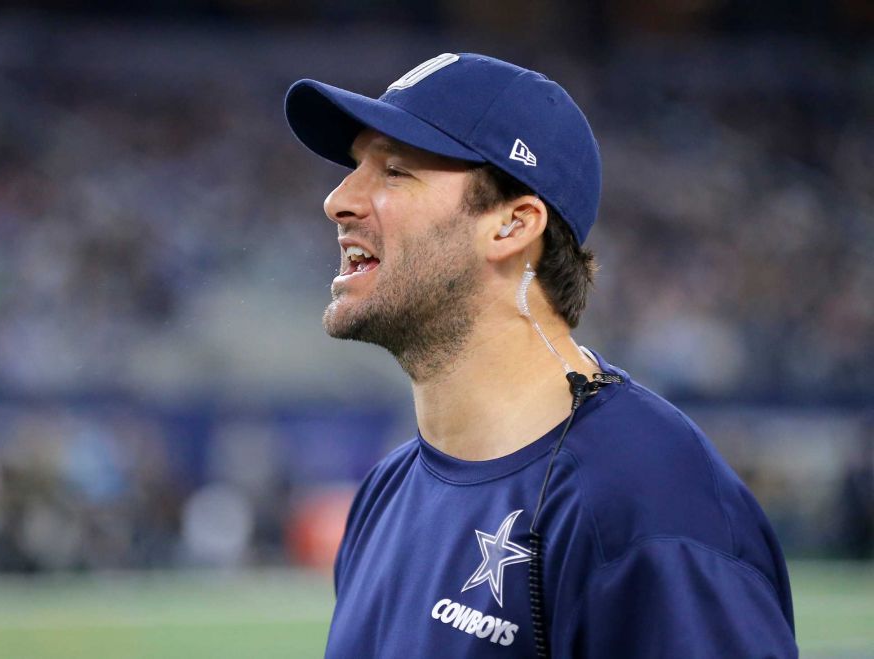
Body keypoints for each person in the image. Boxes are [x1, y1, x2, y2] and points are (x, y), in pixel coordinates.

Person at [284, 53, 798, 658]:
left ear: (512, 226)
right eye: (355, 168)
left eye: (394, 170)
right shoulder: (387, 490)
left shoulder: (647, 504)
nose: (337, 200)